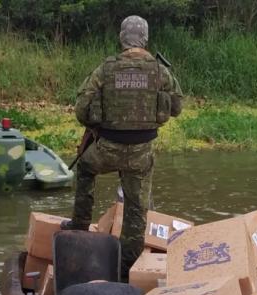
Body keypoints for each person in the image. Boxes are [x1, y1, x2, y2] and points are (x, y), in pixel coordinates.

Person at [62, 15, 183, 276]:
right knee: (136, 210)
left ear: (122, 38)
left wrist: (96, 123)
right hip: (141, 153)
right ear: (145, 38)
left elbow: (82, 107)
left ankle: (80, 225)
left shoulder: (106, 69)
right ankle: (129, 268)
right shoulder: (160, 71)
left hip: (107, 149)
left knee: (84, 168)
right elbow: (177, 107)